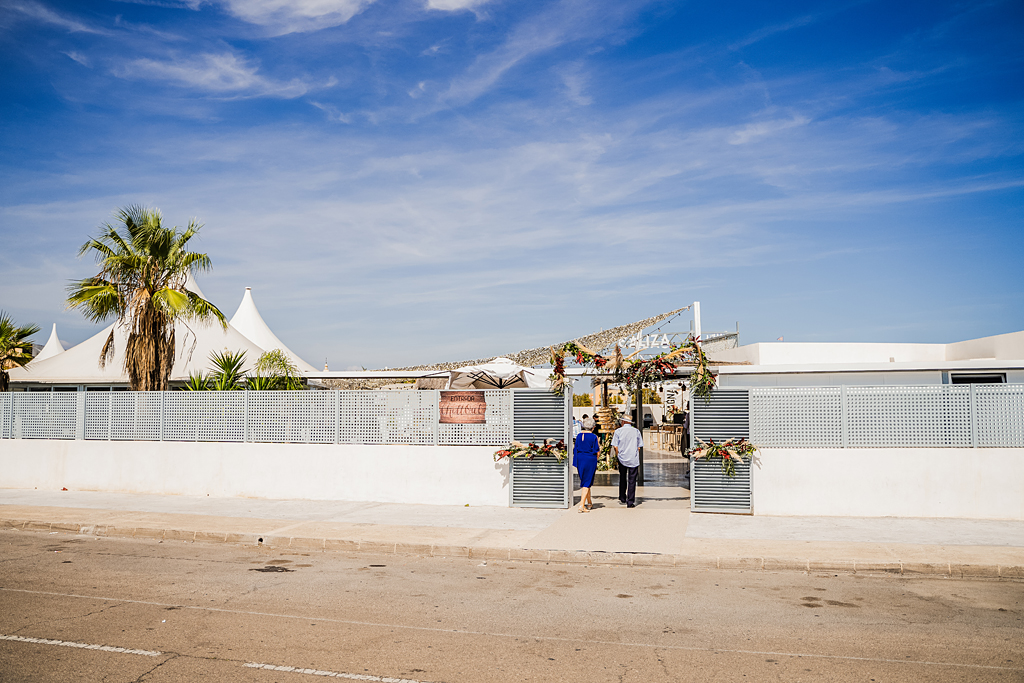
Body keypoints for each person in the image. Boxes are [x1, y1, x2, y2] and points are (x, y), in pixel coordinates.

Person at [612, 414, 643, 508]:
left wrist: (618, 455)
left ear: (623, 421)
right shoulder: (636, 431)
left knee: (622, 477)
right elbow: (639, 446)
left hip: (622, 458)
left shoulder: (618, 431)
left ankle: (622, 497)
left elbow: (615, 446)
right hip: (633, 458)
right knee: (632, 480)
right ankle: (630, 501)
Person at [573, 417, 600, 512]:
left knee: (585, 481)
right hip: (590, 459)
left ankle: (589, 502)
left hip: (580, 459)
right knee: (587, 482)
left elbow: (575, 448)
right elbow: (597, 451)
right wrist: (596, 460)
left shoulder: (579, 436)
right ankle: (581, 505)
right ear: (593, 427)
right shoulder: (593, 437)